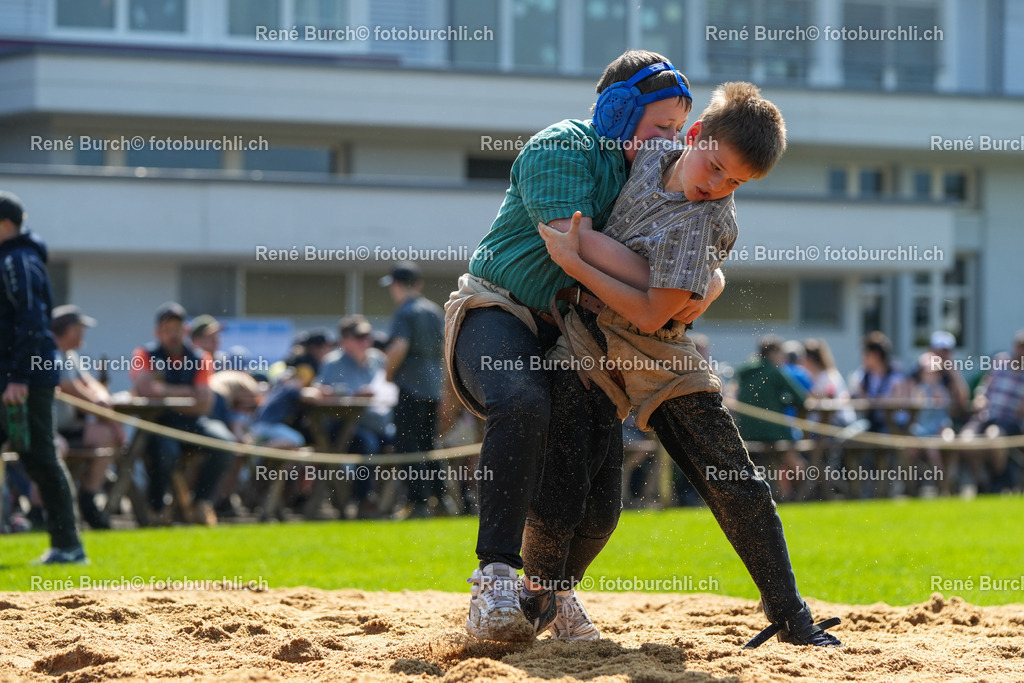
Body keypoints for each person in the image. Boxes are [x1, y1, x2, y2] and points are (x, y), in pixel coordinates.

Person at [530, 82, 841, 647]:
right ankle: (536, 597)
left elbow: (652, 315)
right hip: (587, 335)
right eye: (715, 167)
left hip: (658, 346)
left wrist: (574, 262)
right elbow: (620, 123)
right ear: (694, 135)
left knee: (733, 479)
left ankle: (791, 616)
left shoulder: (707, 219)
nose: (717, 186)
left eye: (734, 183)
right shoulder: (651, 154)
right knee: (575, 484)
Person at [445, 50, 707, 641]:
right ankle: (494, 578)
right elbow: (575, 243)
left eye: (678, 130)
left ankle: (552, 593)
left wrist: (701, 282)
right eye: (660, 127)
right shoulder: (562, 145)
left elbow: (696, 242)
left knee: (599, 493)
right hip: (499, 306)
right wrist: (669, 284)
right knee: (523, 401)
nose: (671, 142)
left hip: (574, 330)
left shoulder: (646, 175)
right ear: (616, 113)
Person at [0, 191, 85, 563]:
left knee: (40, 458)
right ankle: (67, 545)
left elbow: (32, 321)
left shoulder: (17, 260)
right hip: (14, 376)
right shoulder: (14, 258)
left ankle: (68, 546)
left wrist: (18, 377)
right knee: (38, 457)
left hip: (24, 379)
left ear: (5, 225)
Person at [130, 302, 235, 525]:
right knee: (165, 452)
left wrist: (163, 394)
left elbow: (204, 405)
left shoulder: (201, 358)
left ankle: (200, 502)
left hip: (194, 423)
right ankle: (156, 507)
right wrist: (189, 394)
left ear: (185, 330)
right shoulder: (143, 354)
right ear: (157, 332)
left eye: (176, 329)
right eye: (167, 329)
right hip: (159, 424)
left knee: (226, 444)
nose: (173, 335)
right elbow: (145, 391)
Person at [51, 304, 125, 529]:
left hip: (69, 428)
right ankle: (39, 511)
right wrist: (106, 413)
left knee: (106, 435)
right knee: (54, 450)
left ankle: (88, 498)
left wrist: (102, 398)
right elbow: (70, 388)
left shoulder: (71, 355)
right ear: (71, 329)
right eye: (81, 328)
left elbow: (89, 383)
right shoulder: (49, 353)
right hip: (48, 431)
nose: (84, 333)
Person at [316, 315, 396, 518]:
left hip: (380, 424)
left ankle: (403, 501)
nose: (365, 340)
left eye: (367, 335)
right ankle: (364, 500)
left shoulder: (379, 359)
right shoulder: (332, 363)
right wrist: (354, 396)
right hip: (344, 428)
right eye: (358, 336)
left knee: (404, 440)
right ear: (344, 340)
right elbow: (322, 396)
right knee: (367, 443)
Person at [382, 263, 445, 517]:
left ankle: (417, 503)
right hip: (433, 388)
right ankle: (441, 500)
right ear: (418, 284)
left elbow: (399, 346)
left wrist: (387, 375)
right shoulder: (434, 310)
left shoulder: (405, 311)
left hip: (410, 387)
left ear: (396, 285)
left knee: (408, 446)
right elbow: (444, 350)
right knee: (429, 444)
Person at [959, 331, 1024, 493]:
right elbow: (985, 386)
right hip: (986, 415)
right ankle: (982, 481)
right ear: (1014, 346)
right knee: (965, 440)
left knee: (993, 436)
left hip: (1009, 421)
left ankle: (998, 481)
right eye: (1020, 346)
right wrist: (980, 397)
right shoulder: (1000, 361)